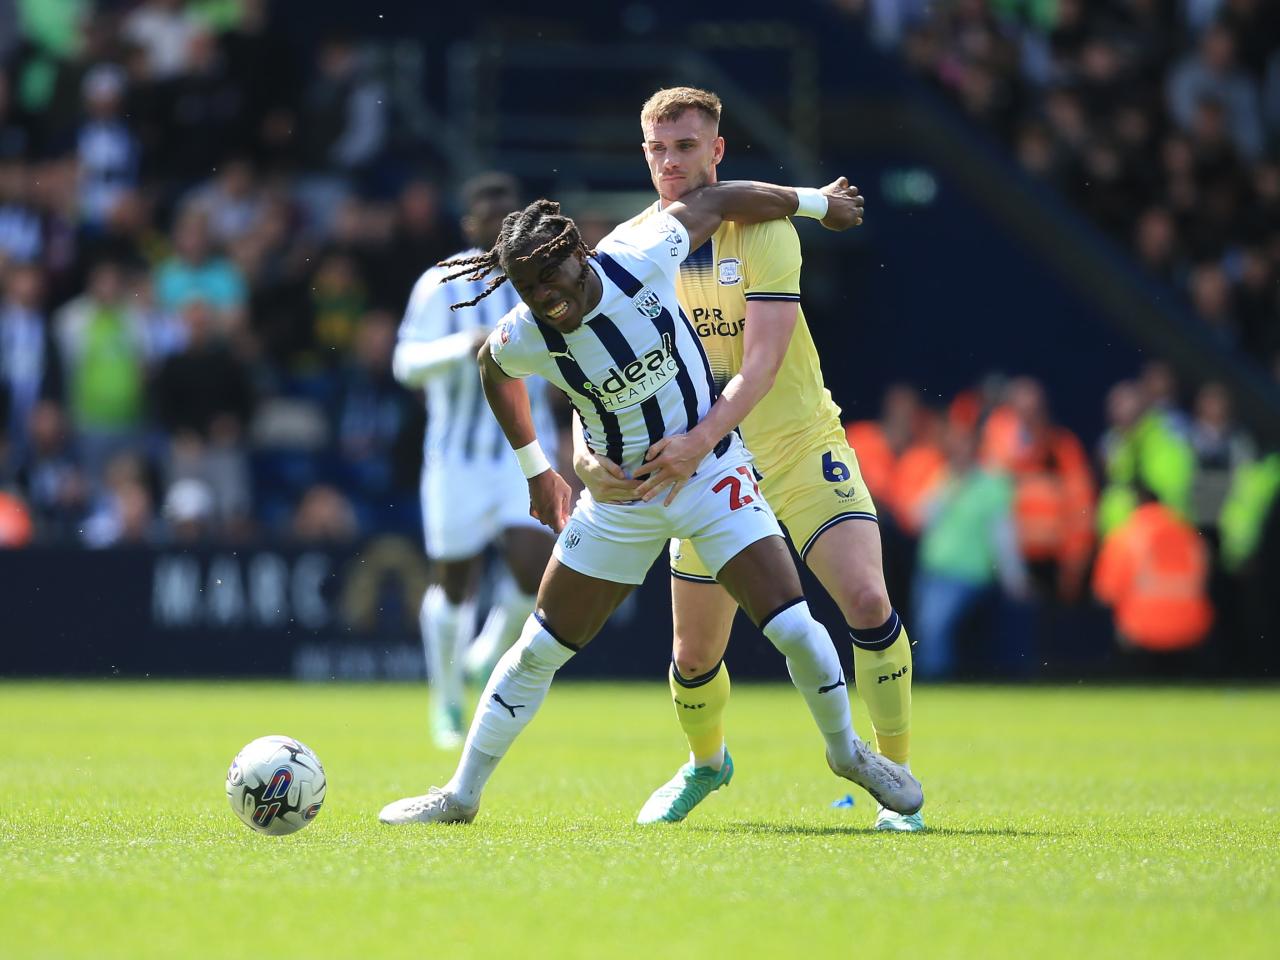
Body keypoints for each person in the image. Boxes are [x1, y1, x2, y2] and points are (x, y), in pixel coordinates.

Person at [379, 180, 923, 826]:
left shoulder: (642, 257)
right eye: (532, 293)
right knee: (538, 648)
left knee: (793, 627)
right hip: (619, 502)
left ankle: (846, 754)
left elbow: (719, 200)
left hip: (709, 478)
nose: (549, 302)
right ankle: (461, 794)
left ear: (578, 253)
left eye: (554, 281)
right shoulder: (525, 331)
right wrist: (539, 471)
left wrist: (814, 204)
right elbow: (495, 374)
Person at [572, 88, 924, 830]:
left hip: (797, 446)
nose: (672, 163)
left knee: (866, 600)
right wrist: (582, 454)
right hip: (708, 470)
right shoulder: (628, 252)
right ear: (645, 153)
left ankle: (896, 776)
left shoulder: (763, 229)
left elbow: (759, 366)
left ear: (718, 150)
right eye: (659, 149)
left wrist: (700, 437)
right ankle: (707, 765)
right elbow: (588, 374)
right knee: (693, 656)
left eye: (688, 147)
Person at [391, 173, 558, 748]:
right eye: (488, 219)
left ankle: (486, 653)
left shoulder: (541, 276)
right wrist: (461, 347)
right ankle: (445, 700)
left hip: (523, 452)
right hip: (455, 458)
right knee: (455, 584)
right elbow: (405, 363)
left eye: (509, 216)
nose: (500, 228)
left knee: (535, 568)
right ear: (470, 225)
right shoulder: (440, 282)